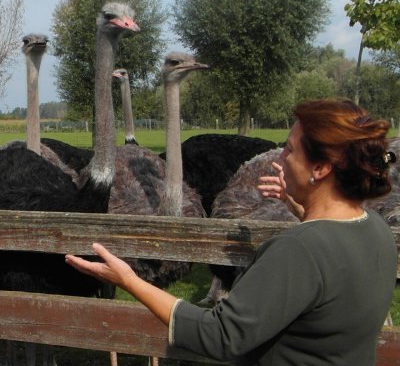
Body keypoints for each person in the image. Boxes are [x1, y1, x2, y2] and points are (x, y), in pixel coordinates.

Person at [65, 98, 397, 365]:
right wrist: (300, 206)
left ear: (321, 169)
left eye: (290, 150)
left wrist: (129, 280)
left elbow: (222, 336)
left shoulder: (300, 249)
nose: (280, 157)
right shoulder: (375, 230)